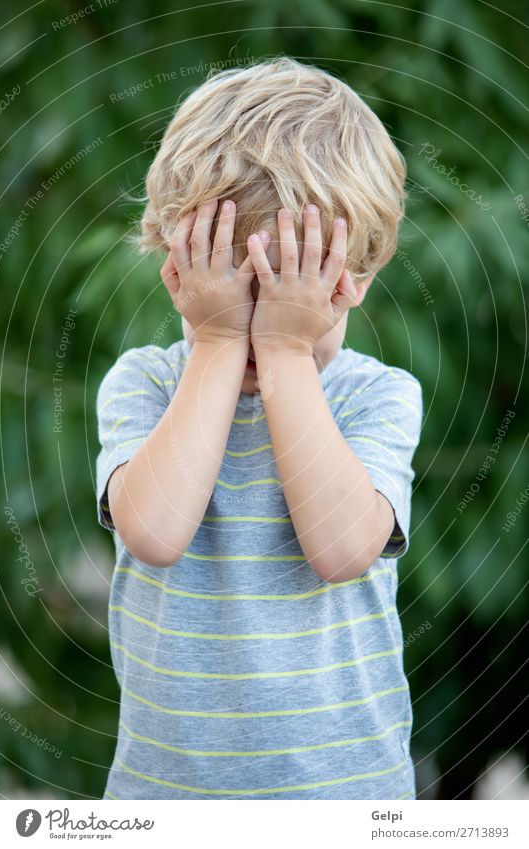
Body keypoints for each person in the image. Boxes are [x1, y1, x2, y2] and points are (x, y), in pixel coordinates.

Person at [95, 56, 423, 799]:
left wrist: (284, 351)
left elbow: (342, 548)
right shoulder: (144, 383)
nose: (253, 323)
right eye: (230, 292)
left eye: (289, 294)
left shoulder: (374, 397)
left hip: (342, 801)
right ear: (175, 269)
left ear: (357, 277)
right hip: (165, 802)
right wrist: (213, 345)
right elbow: (153, 533)